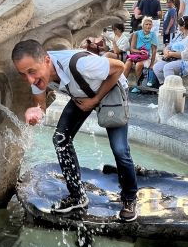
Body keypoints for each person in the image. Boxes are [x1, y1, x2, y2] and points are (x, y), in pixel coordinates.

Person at [11, 39, 138, 221]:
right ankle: (77, 195)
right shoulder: (36, 78)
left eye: (32, 71)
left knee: (120, 149)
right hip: (81, 94)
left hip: (110, 89)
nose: (30, 79)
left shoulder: (81, 63)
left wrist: (94, 101)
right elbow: (41, 106)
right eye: (23, 74)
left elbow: (118, 67)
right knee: (61, 139)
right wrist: (36, 112)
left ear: (47, 60)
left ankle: (130, 198)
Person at [153, 16, 188, 84]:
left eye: (178, 25)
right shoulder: (179, 34)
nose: (177, 26)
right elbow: (169, 46)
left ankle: (171, 88)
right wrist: (166, 51)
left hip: (184, 62)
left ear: (183, 26)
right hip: (171, 58)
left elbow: (187, 55)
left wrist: (170, 54)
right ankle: (164, 84)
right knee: (156, 67)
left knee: (168, 67)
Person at [124, 17, 158, 94]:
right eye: (146, 24)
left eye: (150, 24)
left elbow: (154, 51)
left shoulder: (153, 35)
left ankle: (137, 85)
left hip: (147, 57)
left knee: (139, 64)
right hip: (136, 55)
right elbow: (132, 49)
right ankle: (122, 83)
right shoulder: (136, 34)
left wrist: (152, 64)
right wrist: (140, 51)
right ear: (143, 26)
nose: (148, 26)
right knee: (128, 62)